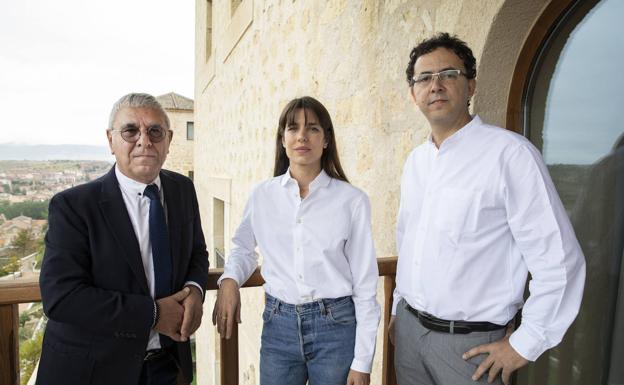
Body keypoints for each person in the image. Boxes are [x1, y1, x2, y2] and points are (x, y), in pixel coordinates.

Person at [389, 33, 586, 385]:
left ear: (471, 86)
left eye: (449, 74)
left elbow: (560, 261)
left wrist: (524, 344)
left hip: (471, 349)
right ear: (412, 93)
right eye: (424, 78)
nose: (436, 85)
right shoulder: (416, 162)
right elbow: (408, 242)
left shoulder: (510, 155)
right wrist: (396, 313)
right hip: (409, 335)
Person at [37, 93, 209, 385]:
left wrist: (195, 289)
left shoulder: (182, 189)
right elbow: (61, 297)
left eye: (155, 131)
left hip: (165, 367)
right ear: (111, 140)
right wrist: (153, 314)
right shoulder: (73, 206)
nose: (145, 140)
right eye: (131, 131)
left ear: (168, 140)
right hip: (94, 370)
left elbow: (197, 253)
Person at [212, 96, 380, 385]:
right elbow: (243, 249)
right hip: (279, 325)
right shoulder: (262, 195)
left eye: (313, 128)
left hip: (336, 329)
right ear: (283, 138)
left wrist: (362, 362)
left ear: (326, 139)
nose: (302, 135)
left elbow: (366, 285)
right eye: (293, 128)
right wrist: (229, 280)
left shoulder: (352, 201)